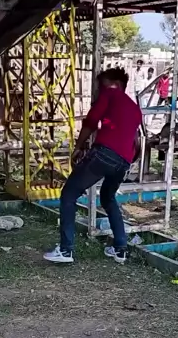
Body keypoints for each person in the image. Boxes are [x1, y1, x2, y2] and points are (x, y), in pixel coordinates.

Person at [43, 68, 142, 265]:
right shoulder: (135, 108)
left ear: (116, 84)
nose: (98, 90)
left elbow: (91, 121)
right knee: (108, 198)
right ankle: (120, 249)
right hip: (123, 161)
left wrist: (78, 147)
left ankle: (65, 250)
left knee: (69, 194)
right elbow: (135, 140)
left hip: (104, 154)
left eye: (101, 85)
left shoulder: (110, 94)